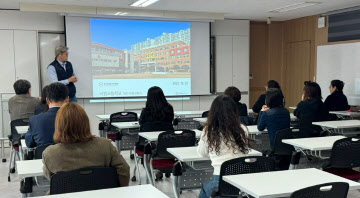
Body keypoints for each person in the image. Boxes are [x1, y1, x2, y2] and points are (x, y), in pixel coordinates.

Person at [42, 102, 130, 187]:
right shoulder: (105, 145)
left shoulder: (50, 153)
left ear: (59, 126)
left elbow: (52, 179)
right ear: (85, 122)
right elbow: (124, 170)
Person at [197, 95, 250, 198]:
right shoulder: (242, 129)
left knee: (205, 186)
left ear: (213, 112)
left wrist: (215, 154)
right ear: (235, 111)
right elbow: (245, 150)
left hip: (220, 181)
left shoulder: (209, 130)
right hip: (242, 182)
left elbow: (201, 153)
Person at [25, 83, 69, 148]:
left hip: (43, 157)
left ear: (47, 100)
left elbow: (29, 143)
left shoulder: (35, 120)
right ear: (67, 99)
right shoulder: (75, 118)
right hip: (70, 157)